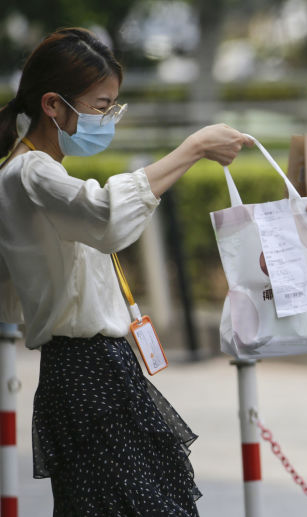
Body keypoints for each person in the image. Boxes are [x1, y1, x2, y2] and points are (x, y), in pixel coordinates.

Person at [0, 28, 251, 515]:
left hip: (88, 369)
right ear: (53, 105)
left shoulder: (31, 172)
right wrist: (194, 147)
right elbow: (107, 216)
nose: (107, 118)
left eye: (113, 106)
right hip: (90, 369)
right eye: (100, 105)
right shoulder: (32, 172)